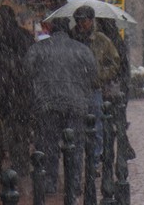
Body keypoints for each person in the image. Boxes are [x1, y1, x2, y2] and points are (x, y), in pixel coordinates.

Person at [24, 18, 98, 191]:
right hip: (76, 104)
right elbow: (93, 74)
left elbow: (27, 70)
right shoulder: (82, 50)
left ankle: (50, 181)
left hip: (47, 103)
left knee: (48, 143)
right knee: (75, 145)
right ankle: (74, 182)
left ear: (50, 30)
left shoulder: (38, 49)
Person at [0, 4, 33, 180]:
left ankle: (5, 162)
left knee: (5, 128)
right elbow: (29, 63)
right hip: (22, 90)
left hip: (5, 90)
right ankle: (20, 163)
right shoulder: (26, 36)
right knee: (21, 127)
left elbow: (0, 63)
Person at [71, 5, 120, 163]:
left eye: (84, 21)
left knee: (97, 125)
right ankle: (79, 157)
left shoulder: (101, 40)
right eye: (78, 21)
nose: (81, 24)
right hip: (75, 88)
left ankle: (95, 159)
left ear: (91, 21)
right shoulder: (71, 37)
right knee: (77, 125)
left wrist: (100, 77)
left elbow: (114, 62)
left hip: (94, 89)